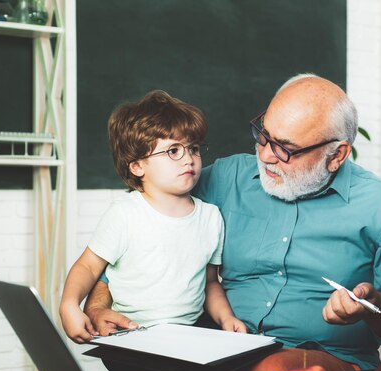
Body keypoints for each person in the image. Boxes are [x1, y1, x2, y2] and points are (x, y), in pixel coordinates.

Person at [84, 75, 381, 371]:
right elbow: (137, 231)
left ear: (337, 154)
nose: (267, 154)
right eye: (264, 135)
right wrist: (98, 307)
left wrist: (375, 307)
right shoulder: (226, 179)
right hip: (219, 344)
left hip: (322, 356)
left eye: (286, 149)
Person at [59, 90, 246, 346]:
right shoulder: (124, 214)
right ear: (137, 166)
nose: (188, 159)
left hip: (188, 337)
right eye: (172, 151)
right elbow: (88, 267)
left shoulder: (211, 217)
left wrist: (226, 318)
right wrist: (69, 304)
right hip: (129, 336)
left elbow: (210, 283)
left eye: (193, 148)